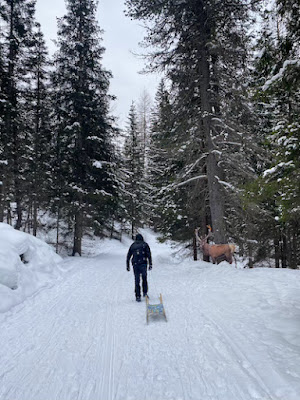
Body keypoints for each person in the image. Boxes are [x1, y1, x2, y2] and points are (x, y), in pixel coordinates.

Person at [126, 233, 152, 302]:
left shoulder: (133, 245)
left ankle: (138, 296)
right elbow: (149, 255)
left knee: (137, 280)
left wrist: (128, 265)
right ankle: (145, 293)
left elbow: (128, 256)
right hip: (143, 263)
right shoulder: (145, 245)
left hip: (135, 264)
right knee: (144, 278)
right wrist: (150, 264)